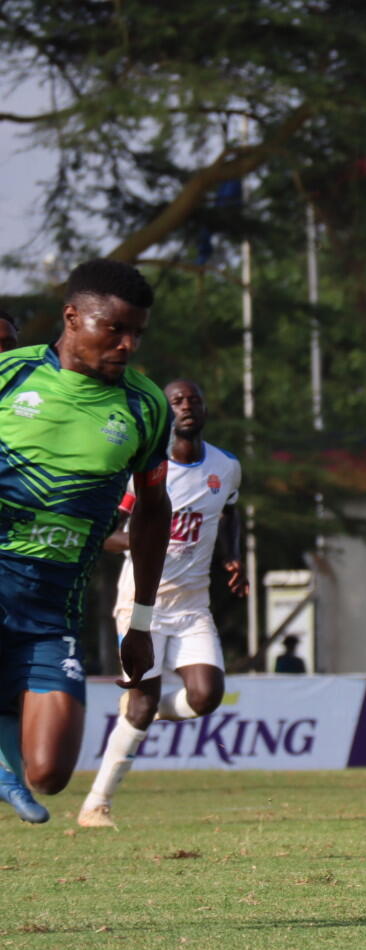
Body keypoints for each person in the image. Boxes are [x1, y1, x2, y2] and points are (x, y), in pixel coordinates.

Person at [0, 260, 171, 825]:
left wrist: (140, 623)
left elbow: (152, 513)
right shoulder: (11, 374)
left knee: (47, 774)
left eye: (137, 333)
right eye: (114, 329)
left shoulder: (146, 407)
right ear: (72, 318)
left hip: (51, 612)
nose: (127, 345)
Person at [78, 379, 245, 827]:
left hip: (193, 605)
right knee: (142, 705)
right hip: (142, 603)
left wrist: (233, 557)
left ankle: (142, 704)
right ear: (166, 413)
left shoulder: (226, 466)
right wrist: (141, 539)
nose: (187, 406)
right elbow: (105, 533)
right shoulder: (148, 472)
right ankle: (96, 804)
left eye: (195, 398)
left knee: (207, 696)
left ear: (205, 409)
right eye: (177, 401)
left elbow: (229, 512)